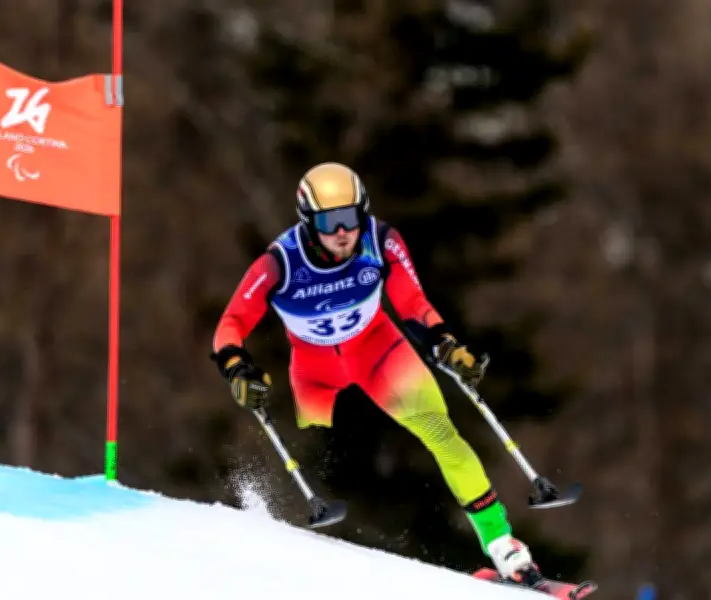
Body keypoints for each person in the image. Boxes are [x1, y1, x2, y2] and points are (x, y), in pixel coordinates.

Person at [211, 162, 540, 584]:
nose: (343, 232)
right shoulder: (280, 263)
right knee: (315, 453)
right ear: (308, 222)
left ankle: (503, 545)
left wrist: (444, 343)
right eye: (330, 222)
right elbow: (229, 325)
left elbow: (411, 301)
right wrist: (237, 368)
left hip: (379, 351)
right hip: (315, 371)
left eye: (351, 217)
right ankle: (287, 552)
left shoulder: (379, 241)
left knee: (441, 431)